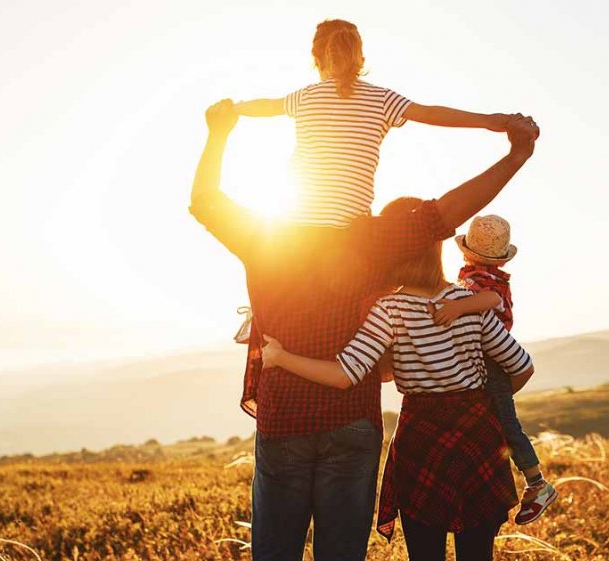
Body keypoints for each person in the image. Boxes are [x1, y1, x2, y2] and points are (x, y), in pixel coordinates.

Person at [189, 98, 538, 561]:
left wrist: (218, 132)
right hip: (353, 420)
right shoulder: (376, 242)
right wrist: (515, 155)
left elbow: (205, 201)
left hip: (283, 418)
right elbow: (447, 213)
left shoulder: (265, 234)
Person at [259, 197, 535, 560]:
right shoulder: (471, 302)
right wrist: (479, 404)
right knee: (477, 553)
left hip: (422, 439)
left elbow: (346, 374)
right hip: (478, 436)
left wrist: (280, 357)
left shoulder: (389, 309)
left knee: (425, 553)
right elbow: (522, 366)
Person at [233, 19, 515, 227]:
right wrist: (489, 121)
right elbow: (431, 113)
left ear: (316, 60)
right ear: (360, 58)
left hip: (295, 224)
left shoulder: (305, 96)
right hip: (350, 228)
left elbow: (266, 106)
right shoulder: (381, 99)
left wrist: (233, 108)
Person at [431, 214, 557, 524]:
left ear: (466, 251)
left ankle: (537, 483)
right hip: (485, 358)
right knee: (492, 420)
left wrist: (458, 307)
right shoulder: (477, 275)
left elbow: (490, 300)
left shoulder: (485, 282)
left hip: (492, 359)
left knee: (505, 423)